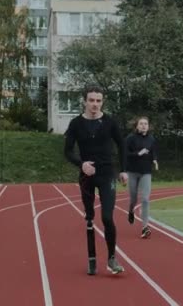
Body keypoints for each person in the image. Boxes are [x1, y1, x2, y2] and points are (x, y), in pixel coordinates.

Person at [64, 87, 128, 276]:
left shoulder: (110, 122)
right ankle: (91, 258)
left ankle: (111, 259)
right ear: (85, 101)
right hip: (86, 177)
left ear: (103, 102)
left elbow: (122, 145)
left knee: (107, 217)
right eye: (91, 100)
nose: (95, 104)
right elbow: (67, 151)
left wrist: (123, 170)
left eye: (98, 101)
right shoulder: (76, 123)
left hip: (107, 174)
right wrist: (81, 164)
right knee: (90, 218)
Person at [125, 116, 158, 239]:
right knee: (133, 198)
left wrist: (155, 160)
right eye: (141, 123)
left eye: (146, 124)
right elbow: (125, 154)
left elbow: (154, 152)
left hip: (146, 172)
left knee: (145, 199)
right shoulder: (130, 138)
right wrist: (138, 154)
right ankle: (131, 210)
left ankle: (145, 227)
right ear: (137, 126)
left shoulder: (151, 139)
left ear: (148, 126)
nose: (144, 125)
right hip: (132, 172)